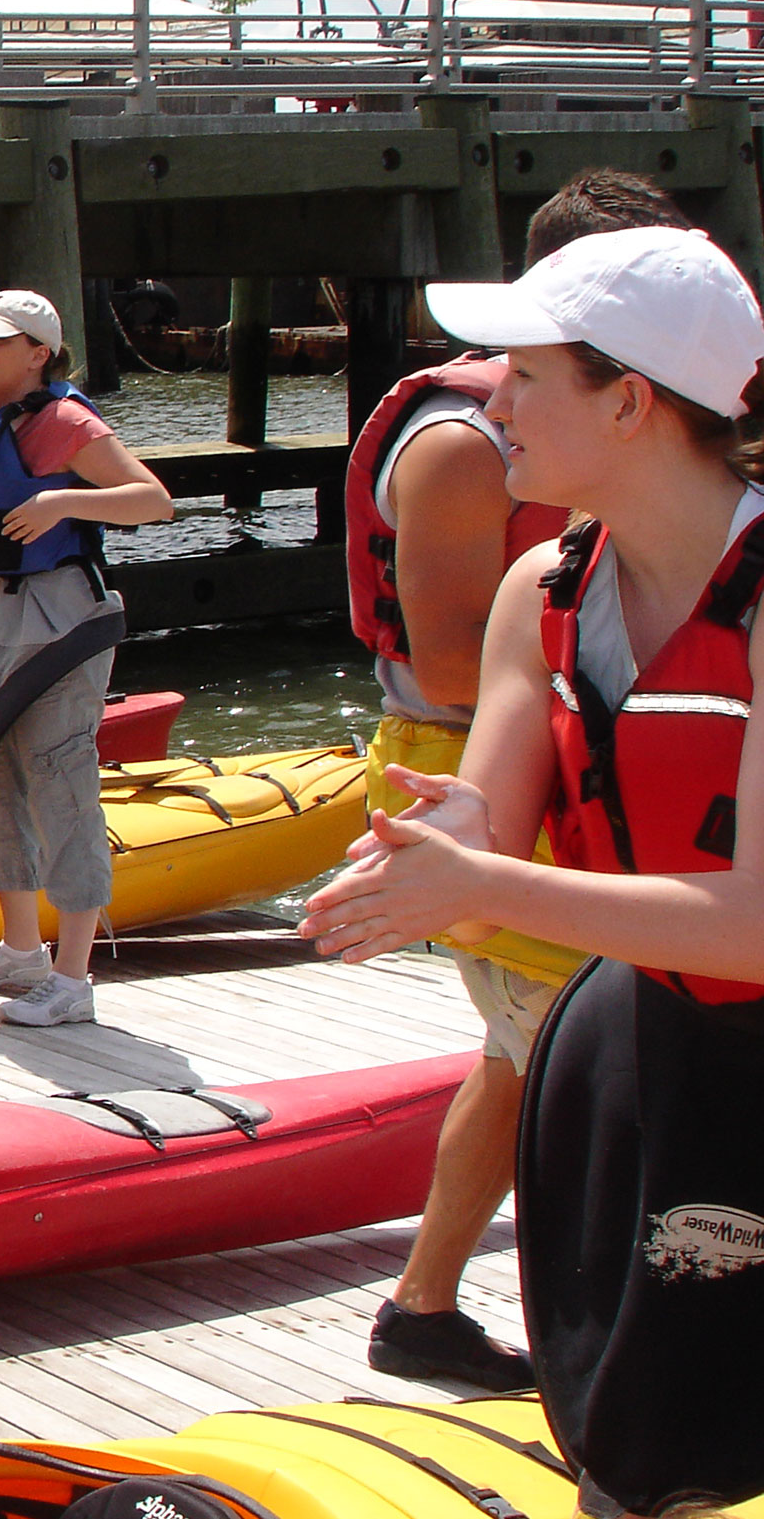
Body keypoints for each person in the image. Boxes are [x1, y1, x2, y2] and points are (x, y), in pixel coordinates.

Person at [302, 225, 764, 1519]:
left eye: (528, 375)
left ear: (630, 402)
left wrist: (483, 887)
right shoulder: (539, 591)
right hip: (649, 1046)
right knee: (626, 1453)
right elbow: (492, 826)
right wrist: (438, 838)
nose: (492, 396)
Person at [347, 169, 692, 1391]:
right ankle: (523, 1330)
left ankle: (425, 1303)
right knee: (551, 1053)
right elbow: (450, 668)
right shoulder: (469, 459)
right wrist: (467, 848)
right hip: (476, 766)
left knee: (522, 1056)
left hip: (561, 796)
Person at [0, 289, 173, 1027]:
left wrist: (65, 504)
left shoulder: (64, 419)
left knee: (59, 773)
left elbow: (153, 500)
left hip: (58, 618)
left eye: (0, 340)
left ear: (40, 353)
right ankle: (21, 948)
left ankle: (74, 976)